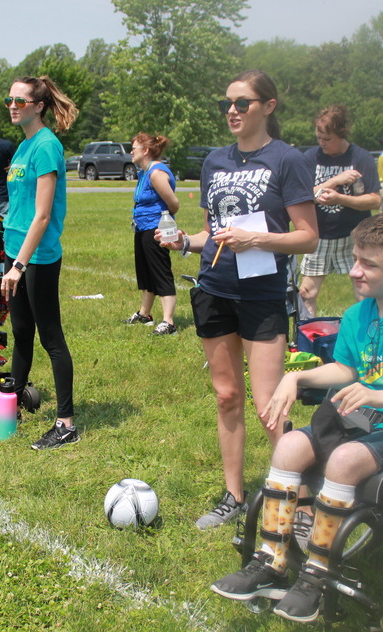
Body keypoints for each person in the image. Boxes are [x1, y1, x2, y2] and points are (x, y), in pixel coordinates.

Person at [210, 213, 383, 623]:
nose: (353, 271)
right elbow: (347, 371)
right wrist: (295, 378)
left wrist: (380, 393)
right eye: (355, 259)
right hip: (362, 423)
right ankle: (271, 559)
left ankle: (317, 573)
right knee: (293, 443)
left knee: (344, 460)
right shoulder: (358, 315)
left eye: (368, 264)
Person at [161, 70, 318, 528]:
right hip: (214, 289)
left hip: (262, 294)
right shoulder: (215, 161)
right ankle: (234, 496)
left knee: (269, 404)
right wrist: (184, 243)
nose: (232, 110)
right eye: (227, 103)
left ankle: (300, 505)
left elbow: (308, 237)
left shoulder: (287, 161)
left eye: (242, 103)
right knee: (227, 396)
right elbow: (212, 233)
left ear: (268, 106)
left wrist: (257, 240)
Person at [0, 76, 80, 451]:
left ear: (38, 106)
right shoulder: (23, 146)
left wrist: (20, 264)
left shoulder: (46, 146)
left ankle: (65, 423)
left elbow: (43, 215)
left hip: (36, 258)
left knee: (50, 337)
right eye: (9, 100)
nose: (12, 105)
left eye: (20, 100)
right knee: (20, 332)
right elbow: (19, 205)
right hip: (15, 253)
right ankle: (9, 411)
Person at [299, 106, 381, 318]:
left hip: (354, 235)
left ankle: (371, 336)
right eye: (319, 138)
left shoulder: (361, 157)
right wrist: (335, 181)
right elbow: (302, 197)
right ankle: (309, 339)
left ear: (341, 134)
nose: (322, 143)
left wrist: (339, 198)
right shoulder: (310, 158)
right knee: (306, 293)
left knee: (365, 292)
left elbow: (374, 200)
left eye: (327, 139)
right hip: (319, 235)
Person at [125, 132, 179, 335]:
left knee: (160, 272)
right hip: (142, 227)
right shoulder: (144, 173)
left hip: (156, 228)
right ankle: (145, 313)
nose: (131, 151)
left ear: (146, 151)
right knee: (145, 272)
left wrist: (165, 225)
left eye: (135, 148)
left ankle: (169, 322)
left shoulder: (156, 173)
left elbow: (174, 203)